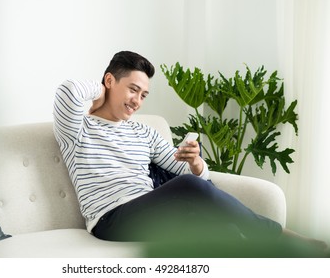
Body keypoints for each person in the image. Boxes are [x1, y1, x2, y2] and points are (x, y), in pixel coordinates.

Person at [53, 51, 328, 256]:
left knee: (220, 227)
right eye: (133, 89)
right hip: (109, 220)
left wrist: (195, 162)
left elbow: (191, 175)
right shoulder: (78, 128)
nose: (137, 101)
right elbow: (68, 91)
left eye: (144, 94)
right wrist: (99, 92)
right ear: (110, 81)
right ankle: (279, 235)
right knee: (189, 188)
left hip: (150, 209)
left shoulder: (143, 132)